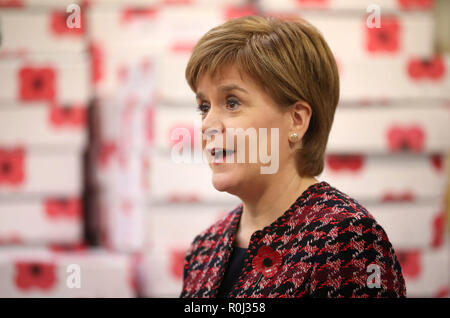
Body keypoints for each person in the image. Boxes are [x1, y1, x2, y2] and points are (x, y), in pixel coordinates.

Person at [179, 15, 406, 298]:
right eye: (204, 107)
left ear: (296, 120)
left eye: (232, 102)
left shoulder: (348, 239)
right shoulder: (205, 248)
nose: (207, 125)